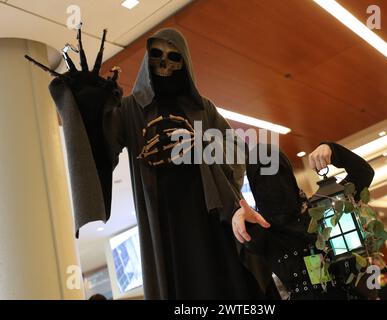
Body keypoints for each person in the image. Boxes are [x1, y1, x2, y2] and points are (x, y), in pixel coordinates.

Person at [26, 26, 274, 299]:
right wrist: (90, 105)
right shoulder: (131, 110)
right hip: (162, 222)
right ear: (147, 59)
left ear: (185, 62)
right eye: (157, 55)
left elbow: (236, 151)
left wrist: (206, 149)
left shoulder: (202, 108)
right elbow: (103, 146)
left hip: (208, 215)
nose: (164, 64)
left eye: (173, 56)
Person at [232, 142, 375, 299]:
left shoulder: (324, 208)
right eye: (262, 180)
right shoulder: (260, 229)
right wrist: (238, 214)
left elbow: (363, 173)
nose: (273, 186)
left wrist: (331, 150)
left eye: (278, 174)